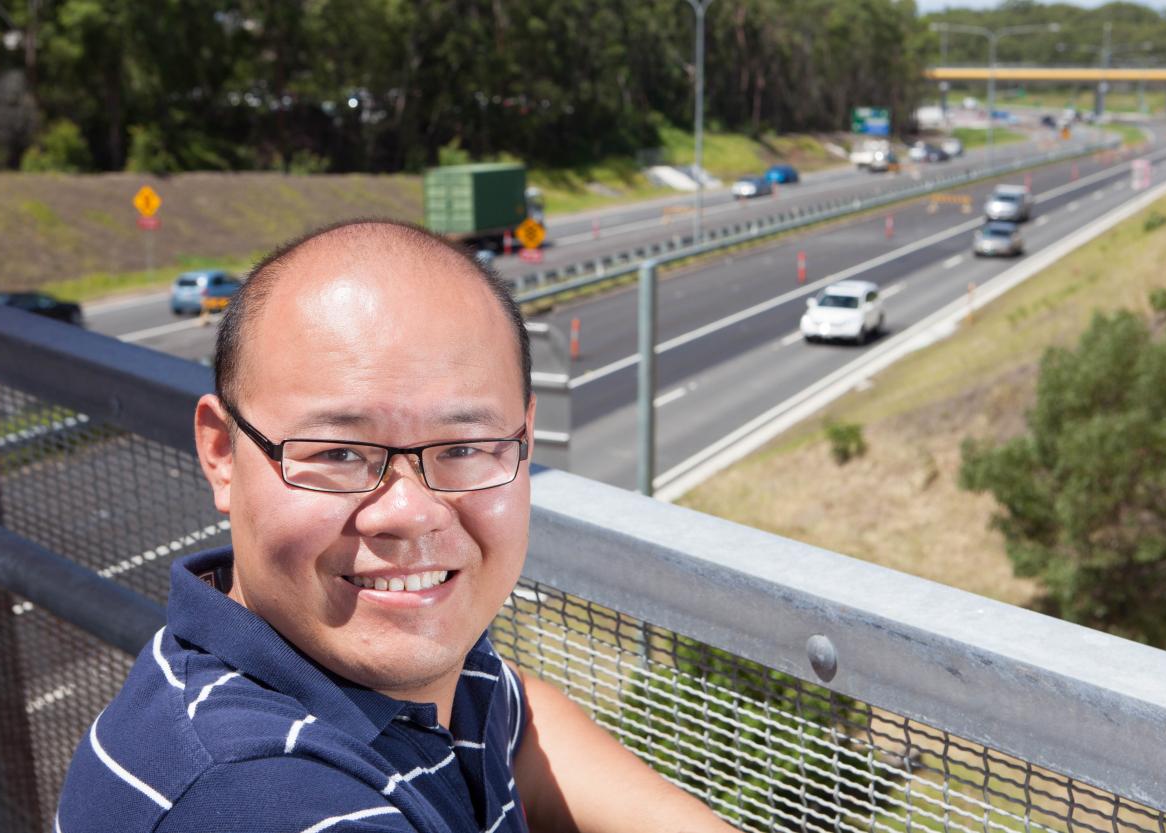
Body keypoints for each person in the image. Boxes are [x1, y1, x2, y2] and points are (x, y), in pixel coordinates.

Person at [57, 220, 738, 832]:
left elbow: (512, 723)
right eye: (338, 453)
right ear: (221, 453)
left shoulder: (374, 670)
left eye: (464, 448)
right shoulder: (253, 796)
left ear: (525, 437)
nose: (410, 512)